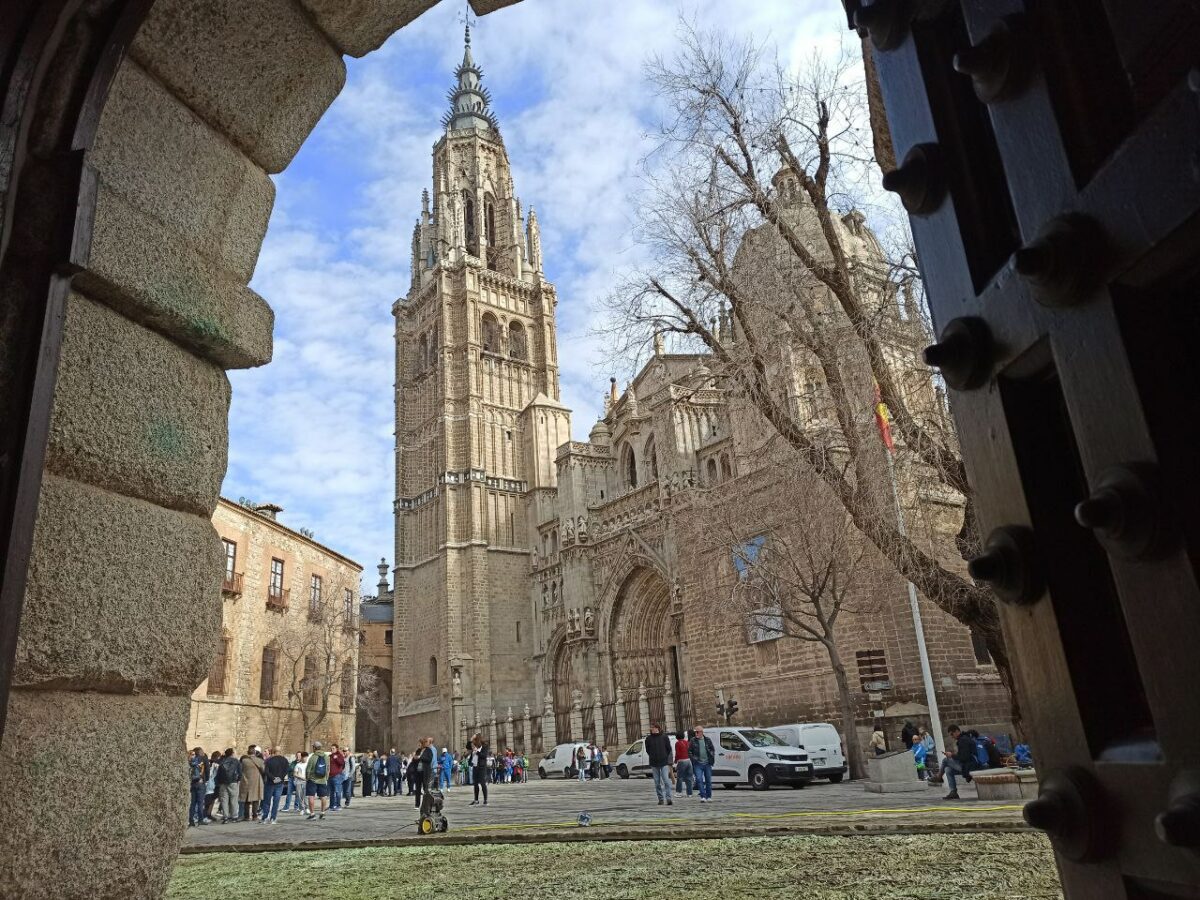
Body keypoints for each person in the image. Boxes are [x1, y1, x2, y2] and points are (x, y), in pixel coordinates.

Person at [940, 724, 976, 800]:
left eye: (952, 734)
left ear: (957, 731)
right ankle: (953, 792)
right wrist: (954, 755)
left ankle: (939, 776)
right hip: (967, 765)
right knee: (948, 770)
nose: (952, 737)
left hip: (969, 766)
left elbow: (964, 758)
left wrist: (952, 755)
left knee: (945, 760)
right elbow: (963, 756)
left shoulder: (963, 740)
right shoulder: (963, 739)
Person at [646, 724, 673, 806]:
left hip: (663, 762)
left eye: (653, 727)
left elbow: (668, 749)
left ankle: (668, 798)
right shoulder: (648, 739)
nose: (652, 729)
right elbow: (648, 750)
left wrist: (664, 756)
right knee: (657, 782)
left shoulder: (664, 737)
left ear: (657, 728)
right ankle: (660, 798)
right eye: (651, 728)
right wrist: (652, 756)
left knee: (666, 780)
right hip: (654, 763)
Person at [261, 747, 289, 823]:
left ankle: (265, 817)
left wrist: (273, 778)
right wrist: (280, 778)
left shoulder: (269, 760)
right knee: (276, 801)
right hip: (280, 783)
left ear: (273, 752)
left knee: (267, 801)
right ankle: (273, 818)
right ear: (280, 751)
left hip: (270, 782)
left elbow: (266, 771)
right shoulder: (285, 760)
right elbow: (286, 771)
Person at [688, 726, 716, 803]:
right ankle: (703, 796)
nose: (696, 733)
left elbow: (712, 749)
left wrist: (711, 755)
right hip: (698, 763)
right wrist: (694, 759)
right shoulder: (692, 740)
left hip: (707, 763)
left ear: (701, 732)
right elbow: (689, 751)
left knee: (708, 780)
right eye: (695, 732)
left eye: (697, 732)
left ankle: (709, 796)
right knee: (699, 779)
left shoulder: (707, 740)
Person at [306, 741, 331, 820]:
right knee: (323, 796)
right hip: (323, 780)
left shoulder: (312, 757)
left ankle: (312, 814)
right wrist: (326, 778)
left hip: (312, 780)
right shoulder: (326, 757)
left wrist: (307, 778)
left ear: (314, 748)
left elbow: (308, 770)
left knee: (311, 796)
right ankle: (322, 813)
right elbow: (328, 768)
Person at [214, 748, 241, 823]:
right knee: (234, 799)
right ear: (232, 753)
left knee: (224, 800)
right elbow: (240, 772)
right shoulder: (236, 761)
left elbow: (218, 773)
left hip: (223, 783)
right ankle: (234, 816)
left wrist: (219, 782)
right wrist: (238, 780)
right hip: (233, 782)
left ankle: (225, 816)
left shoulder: (222, 761)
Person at [239, 745, 264, 821]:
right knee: (256, 800)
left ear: (248, 752)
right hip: (256, 782)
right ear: (255, 752)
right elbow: (263, 770)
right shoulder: (260, 761)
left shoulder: (244, 761)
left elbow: (240, 771)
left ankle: (246, 816)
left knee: (246, 800)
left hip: (246, 781)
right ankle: (255, 816)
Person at [188, 747, 209, 827]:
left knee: (192, 803)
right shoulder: (203, 759)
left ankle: (191, 821)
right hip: (200, 782)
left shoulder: (190, 760)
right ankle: (200, 820)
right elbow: (207, 770)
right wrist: (205, 780)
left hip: (192, 783)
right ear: (200, 752)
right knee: (200, 802)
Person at [469, 733, 489, 806]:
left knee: (483, 784)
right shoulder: (474, 747)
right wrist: (471, 738)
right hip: (475, 767)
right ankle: (476, 800)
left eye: (474, 740)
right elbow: (468, 746)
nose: (473, 742)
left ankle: (485, 800)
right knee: (475, 784)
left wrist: (477, 752)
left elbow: (484, 756)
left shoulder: (484, 747)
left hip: (481, 768)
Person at [673, 732, 694, 798]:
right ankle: (689, 793)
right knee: (689, 778)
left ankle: (679, 792)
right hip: (688, 761)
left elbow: (678, 753)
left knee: (680, 777)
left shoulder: (677, 743)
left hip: (682, 761)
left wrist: (675, 761)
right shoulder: (686, 742)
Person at [204, 750, 221, 822]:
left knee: (210, 801)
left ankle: (208, 814)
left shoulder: (209, 762)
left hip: (211, 784)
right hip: (214, 784)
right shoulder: (216, 764)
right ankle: (207, 814)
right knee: (210, 801)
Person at [328, 744, 345, 811]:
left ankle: (338, 805)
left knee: (337, 791)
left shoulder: (339, 755)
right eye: (331, 748)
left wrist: (336, 758)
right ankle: (331, 806)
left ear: (337, 749)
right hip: (330, 776)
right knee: (331, 792)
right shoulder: (330, 756)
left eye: (333, 748)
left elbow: (342, 763)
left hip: (337, 776)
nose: (332, 750)